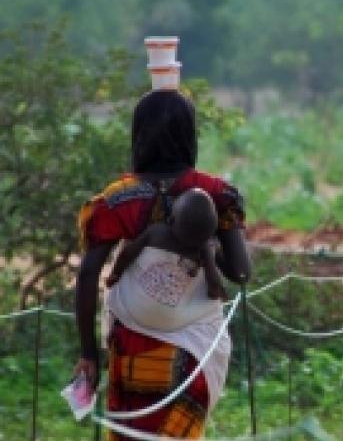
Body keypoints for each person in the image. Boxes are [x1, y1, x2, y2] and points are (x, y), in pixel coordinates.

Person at [73, 89, 250, 439]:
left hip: (133, 346)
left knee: (133, 433)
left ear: (139, 135)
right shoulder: (218, 195)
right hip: (196, 346)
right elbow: (241, 272)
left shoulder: (117, 199)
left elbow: (89, 274)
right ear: (190, 136)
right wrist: (205, 248)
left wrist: (88, 353)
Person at [105, 188, 228, 301]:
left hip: (137, 306)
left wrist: (115, 274)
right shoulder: (203, 250)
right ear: (209, 234)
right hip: (179, 319)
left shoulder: (156, 232)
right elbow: (214, 290)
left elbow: (127, 254)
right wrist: (208, 254)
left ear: (171, 219)